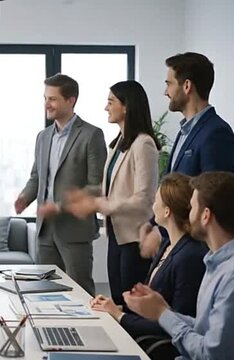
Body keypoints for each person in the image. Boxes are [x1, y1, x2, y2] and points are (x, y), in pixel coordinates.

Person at [124, 172, 234, 360]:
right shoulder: (219, 262)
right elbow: (204, 329)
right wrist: (163, 310)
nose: (188, 212)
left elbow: (212, 355)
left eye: (192, 207)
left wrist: (162, 314)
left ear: (205, 216)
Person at [65, 80, 160, 304]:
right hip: (116, 236)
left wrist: (102, 205)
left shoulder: (143, 144)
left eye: (111, 102)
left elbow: (144, 198)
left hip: (134, 238)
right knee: (117, 299)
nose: (106, 107)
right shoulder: (118, 143)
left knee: (130, 302)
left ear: (126, 106)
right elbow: (112, 186)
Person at [139, 52, 234, 259]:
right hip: (174, 243)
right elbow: (171, 188)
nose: (165, 91)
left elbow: (210, 199)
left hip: (194, 250)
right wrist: (154, 224)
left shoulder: (216, 133)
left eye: (169, 83)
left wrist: (163, 231)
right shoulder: (185, 131)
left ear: (186, 86)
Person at [15, 74, 107, 295]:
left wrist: (59, 206)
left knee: (80, 290)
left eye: (53, 99)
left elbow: (97, 186)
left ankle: (86, 331)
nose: (47, 104)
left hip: (75, 228)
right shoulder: (43, 136)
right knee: (44, 290)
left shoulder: (91, 135)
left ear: (71, 100)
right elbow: (37, 177)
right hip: (45, 229)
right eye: (45, 98)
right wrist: (25, 197)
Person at [90, 173, 207, 344]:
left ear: (167, 211)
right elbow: (150, 307)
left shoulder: (190, 256)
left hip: (158, 345)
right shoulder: (167, 245)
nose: (152, 207)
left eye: (156, 201)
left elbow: (177, 322)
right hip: (143, 333)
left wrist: (120, 316)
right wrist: (116, 307)